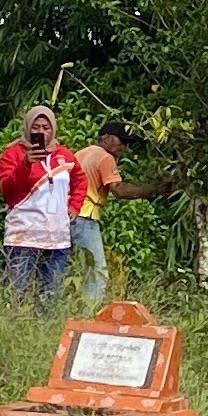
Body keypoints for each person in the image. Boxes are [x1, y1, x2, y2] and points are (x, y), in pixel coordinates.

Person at [70, 121, 163, 308]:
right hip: (85, 217)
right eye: (122, 141)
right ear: (107, 138)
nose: (124, 147)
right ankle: (88, 314)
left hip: (68, 215)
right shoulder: (105, 158)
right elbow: (119, 191)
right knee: (97, 272)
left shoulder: (81, 153)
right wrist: (154, 190)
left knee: (74, 269)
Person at [0, 105, 79, 303]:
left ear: (53, 129)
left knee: (50, 294)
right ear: (27, 128)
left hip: (57, 236)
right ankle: (13, 327)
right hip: (23, 235)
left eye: (46, 128)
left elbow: (80, 180)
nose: (41, 132)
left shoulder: (64, 155)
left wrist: (74, 205)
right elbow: (7, 190)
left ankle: (45, 330)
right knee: (17, 293)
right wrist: (24, 165)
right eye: (36, 127)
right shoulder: (12, 154)